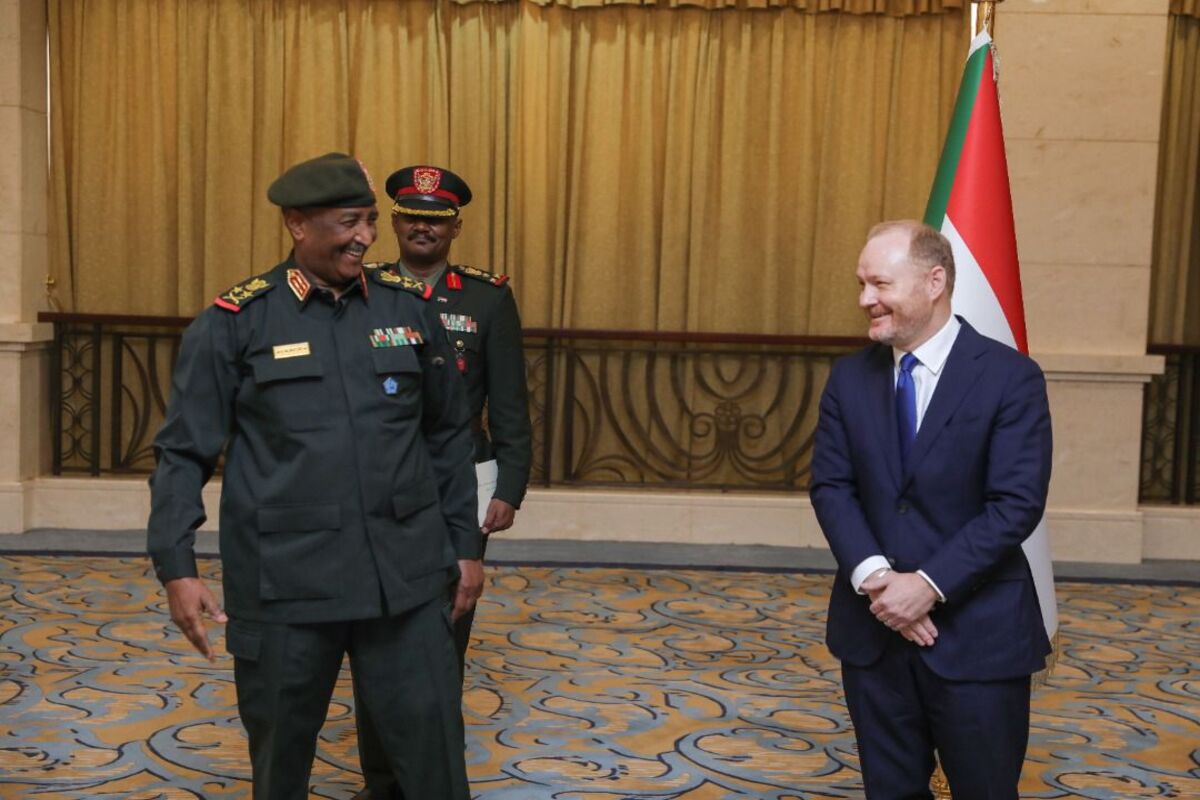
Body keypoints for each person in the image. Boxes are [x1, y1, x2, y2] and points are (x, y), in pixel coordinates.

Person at [146, 152, 482, 800]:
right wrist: (177, 567)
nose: (365, 237)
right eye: (349, 222)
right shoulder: (236, 322)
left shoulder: (407, 309)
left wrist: (464, 545)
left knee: (433, 756)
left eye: (370, 222)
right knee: (281, 761)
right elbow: (183, 452)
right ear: (297, 225)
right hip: (288, 584)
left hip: (404, 580)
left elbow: (446, 433)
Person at [809, 220, 1052, 800]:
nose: (865, 300)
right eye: (861, 284)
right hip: (874, 633)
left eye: (880, 284)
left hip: (979, 634)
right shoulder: (849, 378)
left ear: (935, 281)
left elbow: (1015, 504)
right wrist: (877, 581)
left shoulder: (1010, 378)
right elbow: (832, 488)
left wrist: (929, 585)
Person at [352, 164, 532, 800]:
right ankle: (382, 784)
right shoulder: (363, 289)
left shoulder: (486, 298)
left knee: (442, 636)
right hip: (376, 487)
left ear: (455, 226)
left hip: (463, 482)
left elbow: (508, 400)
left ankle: (428, 781)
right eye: (411, 215)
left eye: (436, 218)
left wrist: (511, 484)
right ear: (393, 223)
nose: (423, 227)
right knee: (375, 635)